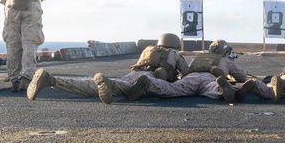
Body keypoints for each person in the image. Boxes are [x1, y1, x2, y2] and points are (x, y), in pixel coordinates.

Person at [26, 33, 188, 103]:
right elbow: (187, 74)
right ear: (175, 44)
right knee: (125, 88)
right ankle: (110, 85)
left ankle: (52, 80)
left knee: (92, 85)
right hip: (150, 79)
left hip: (135, 73)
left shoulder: (149, 50)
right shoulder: (175, 53)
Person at [137, 39, 271, 103]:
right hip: (210, 77)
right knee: (214, 88)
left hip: (191, 78)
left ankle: (149, 83)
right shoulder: (225, 60)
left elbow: (185, 70)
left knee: (171, 89)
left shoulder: (199, 56)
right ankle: (223, 88)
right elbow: (241, 76)